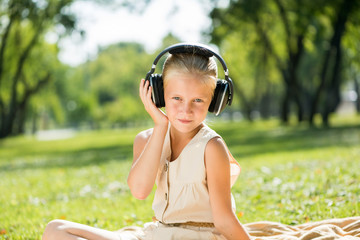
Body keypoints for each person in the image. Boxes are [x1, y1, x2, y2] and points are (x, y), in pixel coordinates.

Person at [42, 43, 251, 240]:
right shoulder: (146, 139)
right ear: (158, 95)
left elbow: (224, 221)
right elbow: (140, 191)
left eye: (198, 100)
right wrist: (160, 126)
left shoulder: (212, 147)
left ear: (215, 101)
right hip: (158, 233)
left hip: (199, 235)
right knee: (55, 229)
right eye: (176, 98)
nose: (186, 110)